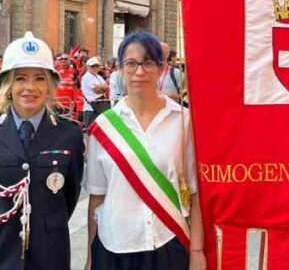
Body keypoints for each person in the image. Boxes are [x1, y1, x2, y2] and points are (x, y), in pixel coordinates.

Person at [0, 31, 85, 270]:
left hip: (48, 254)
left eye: (39, 78)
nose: (30, 87)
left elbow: (68, 197)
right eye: (20, 79)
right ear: (7, 84)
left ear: (50, 84)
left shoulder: (69, 134)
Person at [85, 31, 205, 270]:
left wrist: (197, 251)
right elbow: (97, 196)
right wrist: (90, 256)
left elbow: (194, 192)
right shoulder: (104, 127)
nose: (140, 71)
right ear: (120, 69)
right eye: (131, 63)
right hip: (114, 246)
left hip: (168, 243)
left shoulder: (183, 120)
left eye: (148, 63)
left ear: (161, 68)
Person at [81, 57, 109, 127]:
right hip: (90, 109)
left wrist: (101, 88)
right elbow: (97, 90)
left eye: (97, 66)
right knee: (91, 132)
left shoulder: (99, 76)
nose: (95, 68)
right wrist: (102, 88)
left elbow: (107, 88)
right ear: (88, 67)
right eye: (93, 66)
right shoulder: (87, 77)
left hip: (99, 106)